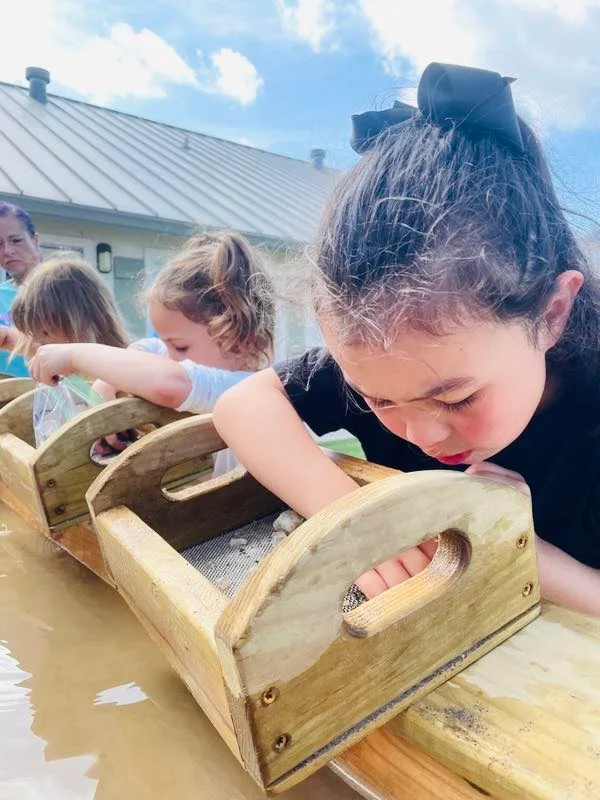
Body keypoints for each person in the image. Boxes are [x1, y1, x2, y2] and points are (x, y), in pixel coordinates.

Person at [214, 63, 600, 617]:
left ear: (552, 313)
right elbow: (242, 404)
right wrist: (358, 524)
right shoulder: (389, 356)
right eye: (378, 401)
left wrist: (507, 539)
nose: (422, 434)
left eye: (456, 398)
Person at [29, 232, 274, 475]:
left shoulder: (247, 386)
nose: (168, 357)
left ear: (242, 339)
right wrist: (106, 384)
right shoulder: (217, 364)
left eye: (179, 347)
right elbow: (146, 349)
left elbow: (169, 384)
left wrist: (73, 356)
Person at [0, 202, 42, 376]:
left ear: (35, 240)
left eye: (16, 240)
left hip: (65, 397)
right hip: (8, 399)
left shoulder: (67, 287)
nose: (8, 251)